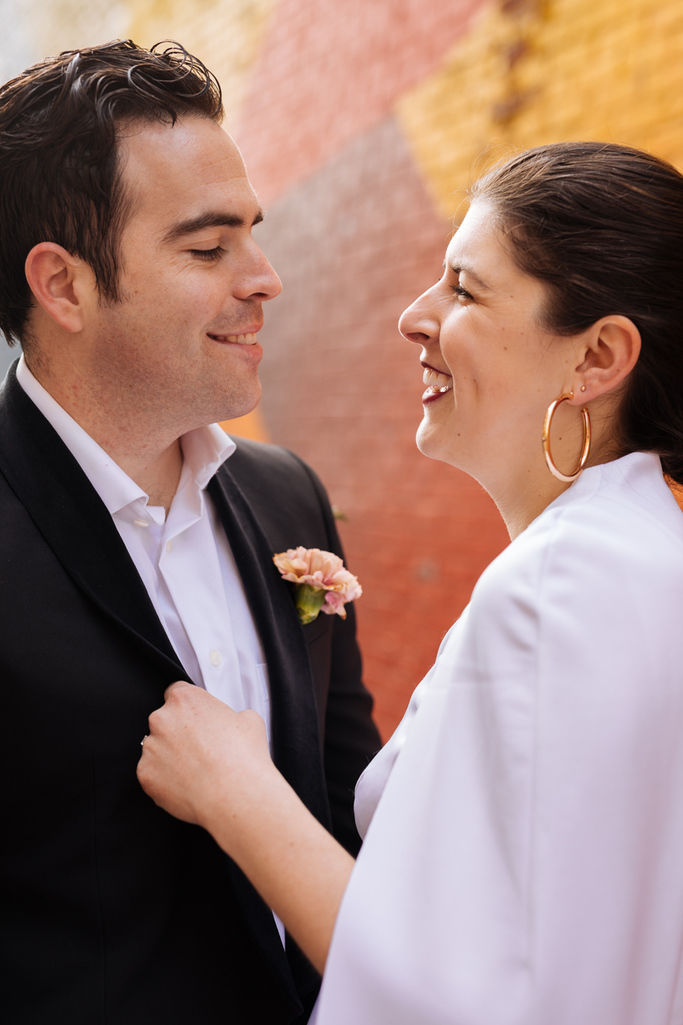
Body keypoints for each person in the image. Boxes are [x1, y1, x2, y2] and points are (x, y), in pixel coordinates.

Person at [138, 140, 683, 1025]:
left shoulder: (556, 589)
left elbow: (444, 1000)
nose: (413, 315)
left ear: (594, 360)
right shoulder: (648, 558)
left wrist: (235, 792)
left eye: (464, 289)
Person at [0, 39, 380, 1025]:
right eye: (208, 249)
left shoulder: (287, 494)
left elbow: (350, 812)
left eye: (250, 236)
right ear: (64, 285)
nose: (264, 279)